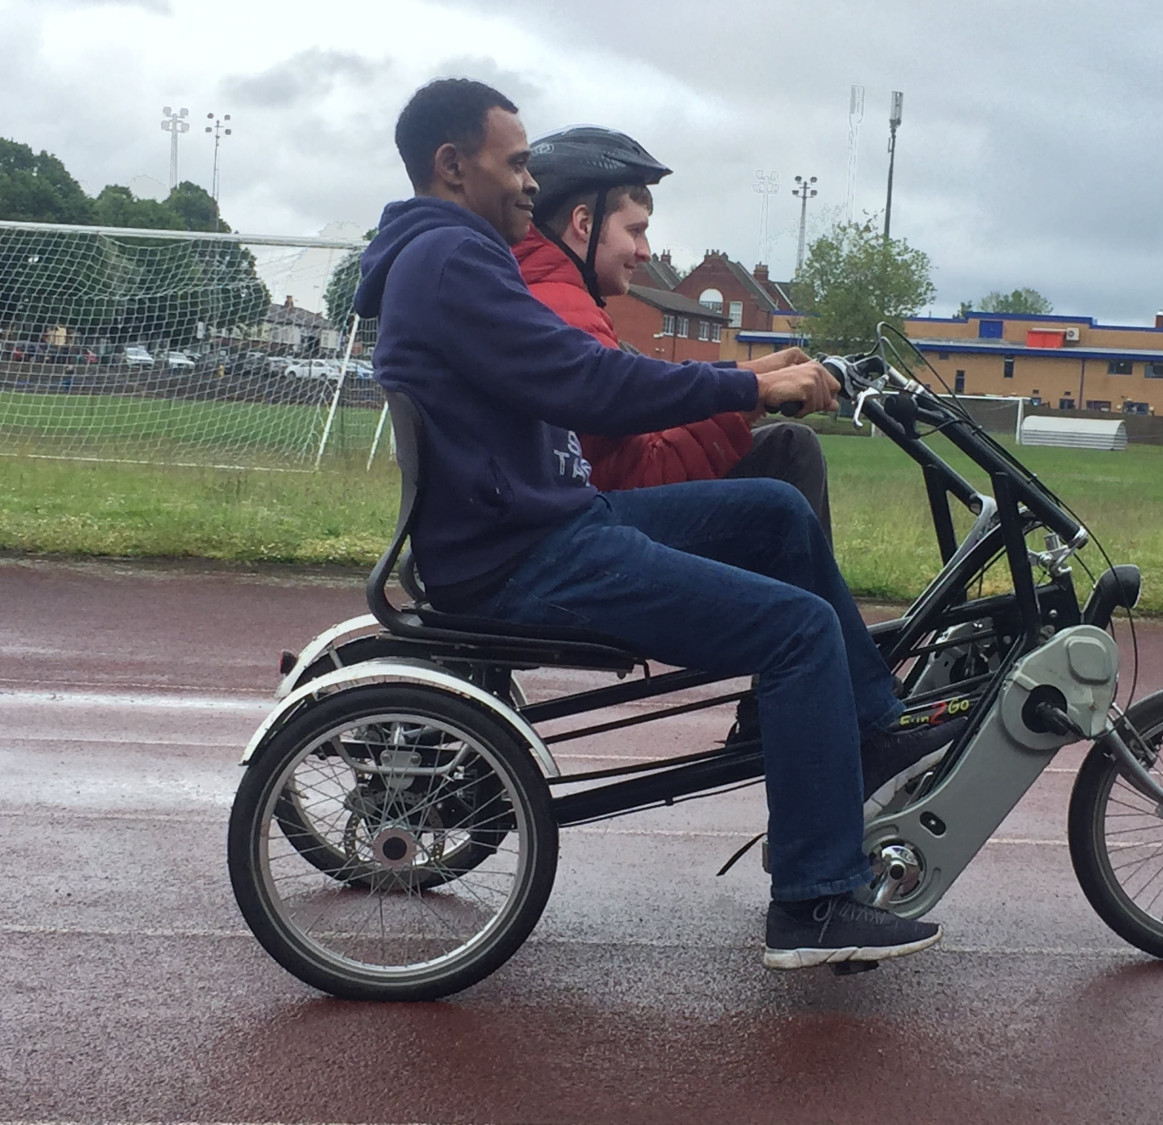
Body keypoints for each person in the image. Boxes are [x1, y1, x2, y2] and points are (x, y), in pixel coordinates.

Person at [354, 78, 962, 970]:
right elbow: (589, 383)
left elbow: (583, 373)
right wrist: (749, 386)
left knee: (775, 511)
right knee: (797, 631)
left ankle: (866, 730)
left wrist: (749, 378)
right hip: (528, 554)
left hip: (536, 527)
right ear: (453, 165)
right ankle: (813, 901)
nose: (531, 180)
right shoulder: (453, 260)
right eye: (516, 162)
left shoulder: (453, 254)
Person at [513, 126, 832, 540]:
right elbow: (642, 473)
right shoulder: (565, 313)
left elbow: (647, 391)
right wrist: (751, 399)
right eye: (635, 231)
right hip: (597, 533)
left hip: (591, 513)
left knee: (788, 445)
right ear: (583, 224)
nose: (645, 251)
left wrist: (756, 373)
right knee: (790, 461)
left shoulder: (553, 297)